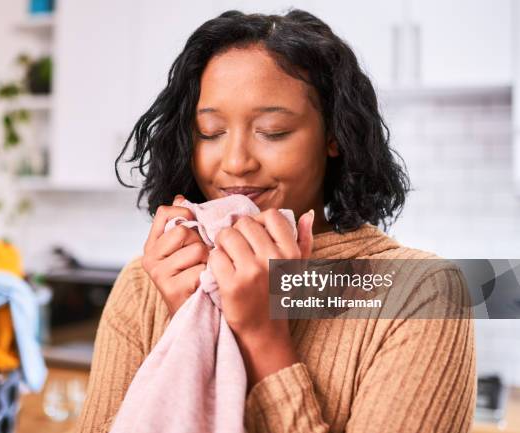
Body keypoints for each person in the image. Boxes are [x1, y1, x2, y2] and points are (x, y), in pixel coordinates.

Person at [77, 9, 475, 433]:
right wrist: (193, 323)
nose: (235, 163)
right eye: (210, 132)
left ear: (334, 135)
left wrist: (262, 339)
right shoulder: (144, 283)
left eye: (273, 131)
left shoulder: (425, 291)